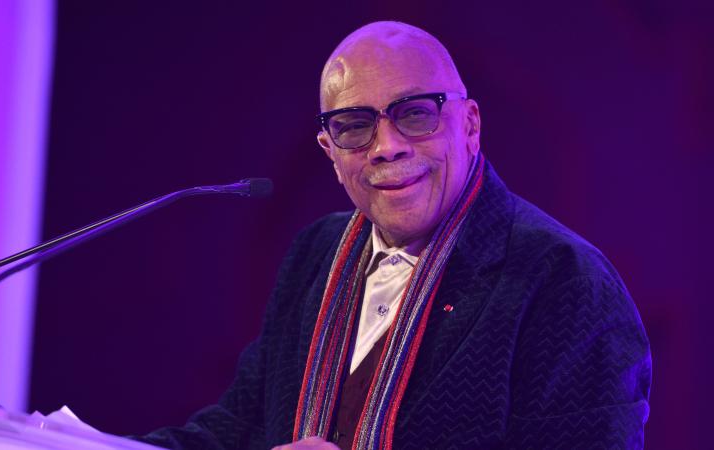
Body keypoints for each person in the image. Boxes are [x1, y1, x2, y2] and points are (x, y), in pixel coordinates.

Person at [134, 21, 651, 449]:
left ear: (470, 124)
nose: (386, 147)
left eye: (415, 114)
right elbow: (237, 429)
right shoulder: (315, 255)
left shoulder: (563, 280)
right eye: (355, 126)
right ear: (329, 152)